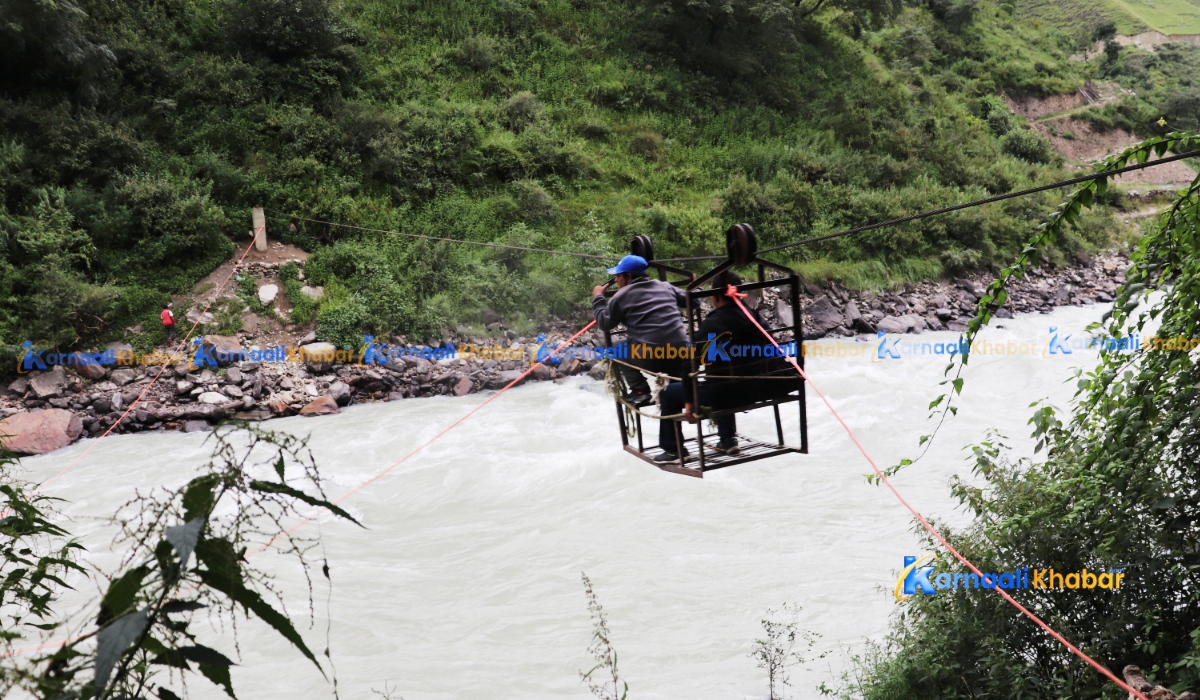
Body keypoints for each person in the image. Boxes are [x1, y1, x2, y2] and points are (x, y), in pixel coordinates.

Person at [656, 271, 800, 462]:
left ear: (715, 297)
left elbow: (689, 365)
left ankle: (673, 450)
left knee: (667, 393)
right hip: (760, 388)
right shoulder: (755, 317)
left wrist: (690, 402)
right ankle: (727, 438)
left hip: (727, 394)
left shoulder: (713, 324)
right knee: (724, 377)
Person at [591, 255, 691, 408]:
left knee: (617, 348)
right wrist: (696, 285)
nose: (617, 280)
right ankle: (678, 388)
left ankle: (640, 390)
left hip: (654, 357)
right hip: (683, 356)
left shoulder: (621, 296)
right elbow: (694, 301)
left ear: (628, 276)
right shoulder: (664, 286)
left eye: (618, 276)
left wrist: (598, 298)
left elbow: (604, 323)